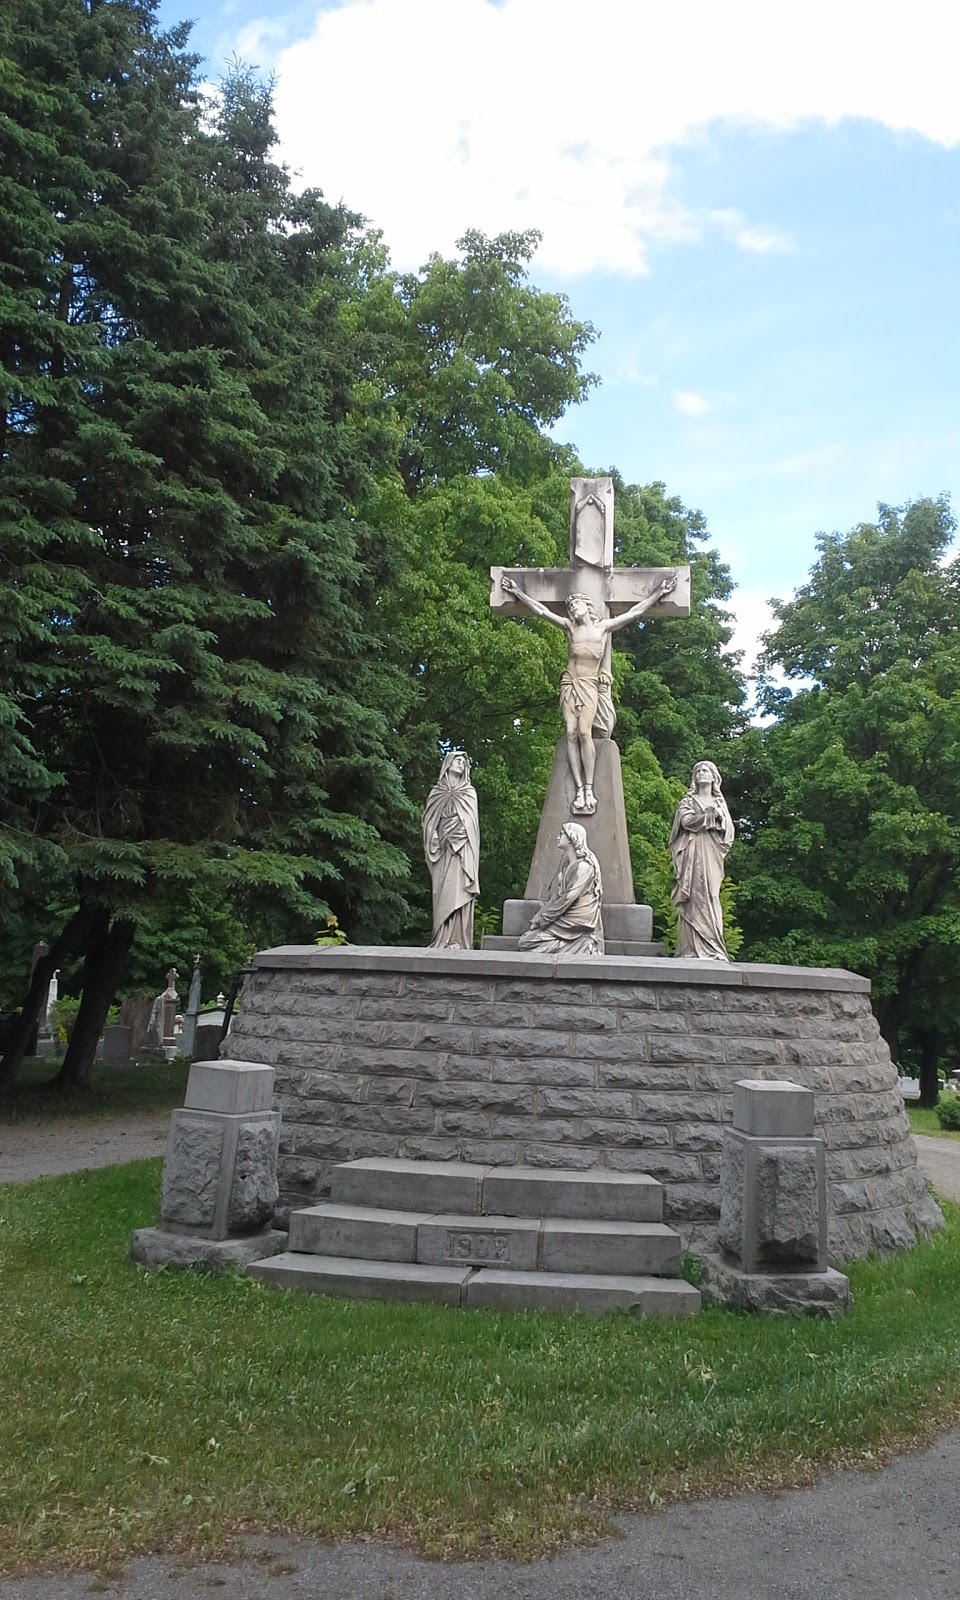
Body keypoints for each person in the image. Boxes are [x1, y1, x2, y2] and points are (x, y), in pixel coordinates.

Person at [500, 572, 677, 815]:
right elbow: (541, 611)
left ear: (587, 606)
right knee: (571, 732)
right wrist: (518, 593)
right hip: (570, 682)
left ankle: (590, 787)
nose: (572, 609)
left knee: (585, 732)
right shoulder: (570, 628)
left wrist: (658, 593)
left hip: (589, 683)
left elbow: (634, 613)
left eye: (576, 605)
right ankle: (579, 787)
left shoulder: (603, 628)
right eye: (570, 607)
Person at [669, 760, 735, 960]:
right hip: (693, 852)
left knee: (711, 896)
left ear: (714, 777)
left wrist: (719, 819)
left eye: (705, 771)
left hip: (712, 852)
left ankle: (714, 948)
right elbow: (685, 821)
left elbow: (728, 832)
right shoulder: (688, 801)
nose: (701, 774)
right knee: (694, 896)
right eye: (698, 771)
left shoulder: (720, 803)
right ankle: (690, 949)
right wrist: (709, 818)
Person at [517, 821, 604, 956]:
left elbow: (568, 898)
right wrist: (539, 916)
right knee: (525, 941)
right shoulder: (566, 867)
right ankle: (577, 945)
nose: (558, 837)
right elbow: (557, 898)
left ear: (571, 838)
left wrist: (544, 919)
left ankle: (584, 944)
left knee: (527, 943)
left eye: (562, 833)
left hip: (576, 920)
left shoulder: (584, 867)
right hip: (564, 918)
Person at [422, 751, 480, 949]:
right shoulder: (436, 793)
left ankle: (457, 939)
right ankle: (441, 937)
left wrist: (457, 836)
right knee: (442, 892)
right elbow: (429, 822)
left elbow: (471, 824)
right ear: (447, 764)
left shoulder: (469, 792)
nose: (461, 764)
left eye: (464, 762)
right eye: (457, 760)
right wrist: (435, 836)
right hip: (442, 851)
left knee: (458, 890)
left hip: (460, 850)